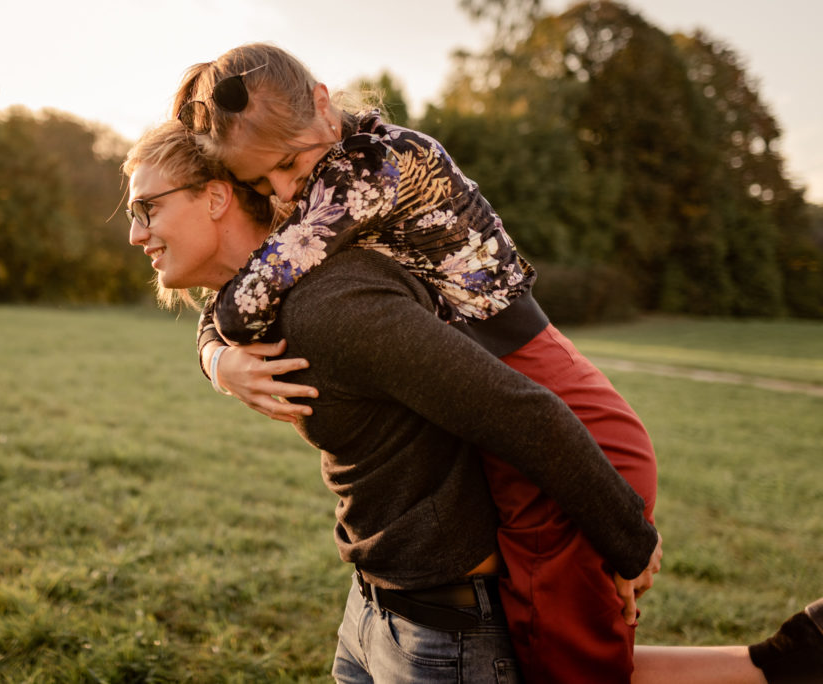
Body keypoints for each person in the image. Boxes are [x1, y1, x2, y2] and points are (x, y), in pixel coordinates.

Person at [121, 120, 822, 683]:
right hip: (374, 610)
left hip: (441, 635)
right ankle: (783, 662)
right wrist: (215, 358)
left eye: (147, 208)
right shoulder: (267, 301)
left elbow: (522, 411)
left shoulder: (335, 301)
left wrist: (629, 540)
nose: (135, 234)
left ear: (215, 196)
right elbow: (226, 312)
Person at [172, 42, 658, 682]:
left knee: (572, 667)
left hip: (557, 417)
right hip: (522, 417)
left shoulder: (374, 168)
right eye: (262, 184)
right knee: (563, 656)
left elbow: (249, 297)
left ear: (323, 103)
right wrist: (214, 360)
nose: (287, 190)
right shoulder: (333, 173)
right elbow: (249, 286)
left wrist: (629, 544)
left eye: (288, 164)